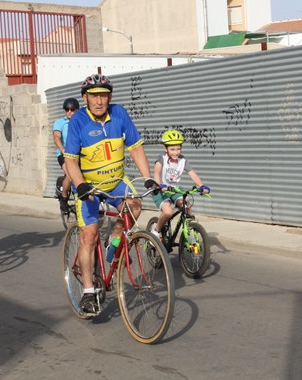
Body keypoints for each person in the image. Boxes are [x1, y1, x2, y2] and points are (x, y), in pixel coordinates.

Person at [64, 74, 156, 315]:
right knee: (89, 235)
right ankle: (87, 292)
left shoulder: (120, 114)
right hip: (89, 186)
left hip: (116, 181)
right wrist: (80, 185)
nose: (99, 101)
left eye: (103, 95)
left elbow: (135, 147)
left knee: (135, 205)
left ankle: (113, 241)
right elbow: (70, 160)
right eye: (94, 96)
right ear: (85, 98)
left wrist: (148, 177)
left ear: (110, 97)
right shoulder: (79, 121)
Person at [149, 129, 210, 242]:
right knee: (168, 212)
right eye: (172, 149)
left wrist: (202, 186)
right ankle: (156, 231)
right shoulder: (161, 159)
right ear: (165, 148)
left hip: (174, 189)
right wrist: (159, 185)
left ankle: (189, 231)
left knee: (187, 205)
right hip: (160, 190)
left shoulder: (183, 160)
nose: (176, 152)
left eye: (178, 148)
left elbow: (192, 174)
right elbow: (157, 172)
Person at [53, 97, 79, 211]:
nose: (69, 112)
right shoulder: (60, 122)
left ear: (77, 110)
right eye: (67, 109)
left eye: (72, 109)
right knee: (71, 173)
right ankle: (64, 196)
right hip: (64, 155)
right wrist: (62, 149)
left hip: (78, 154)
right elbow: (56, 137)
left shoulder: (81, 122)